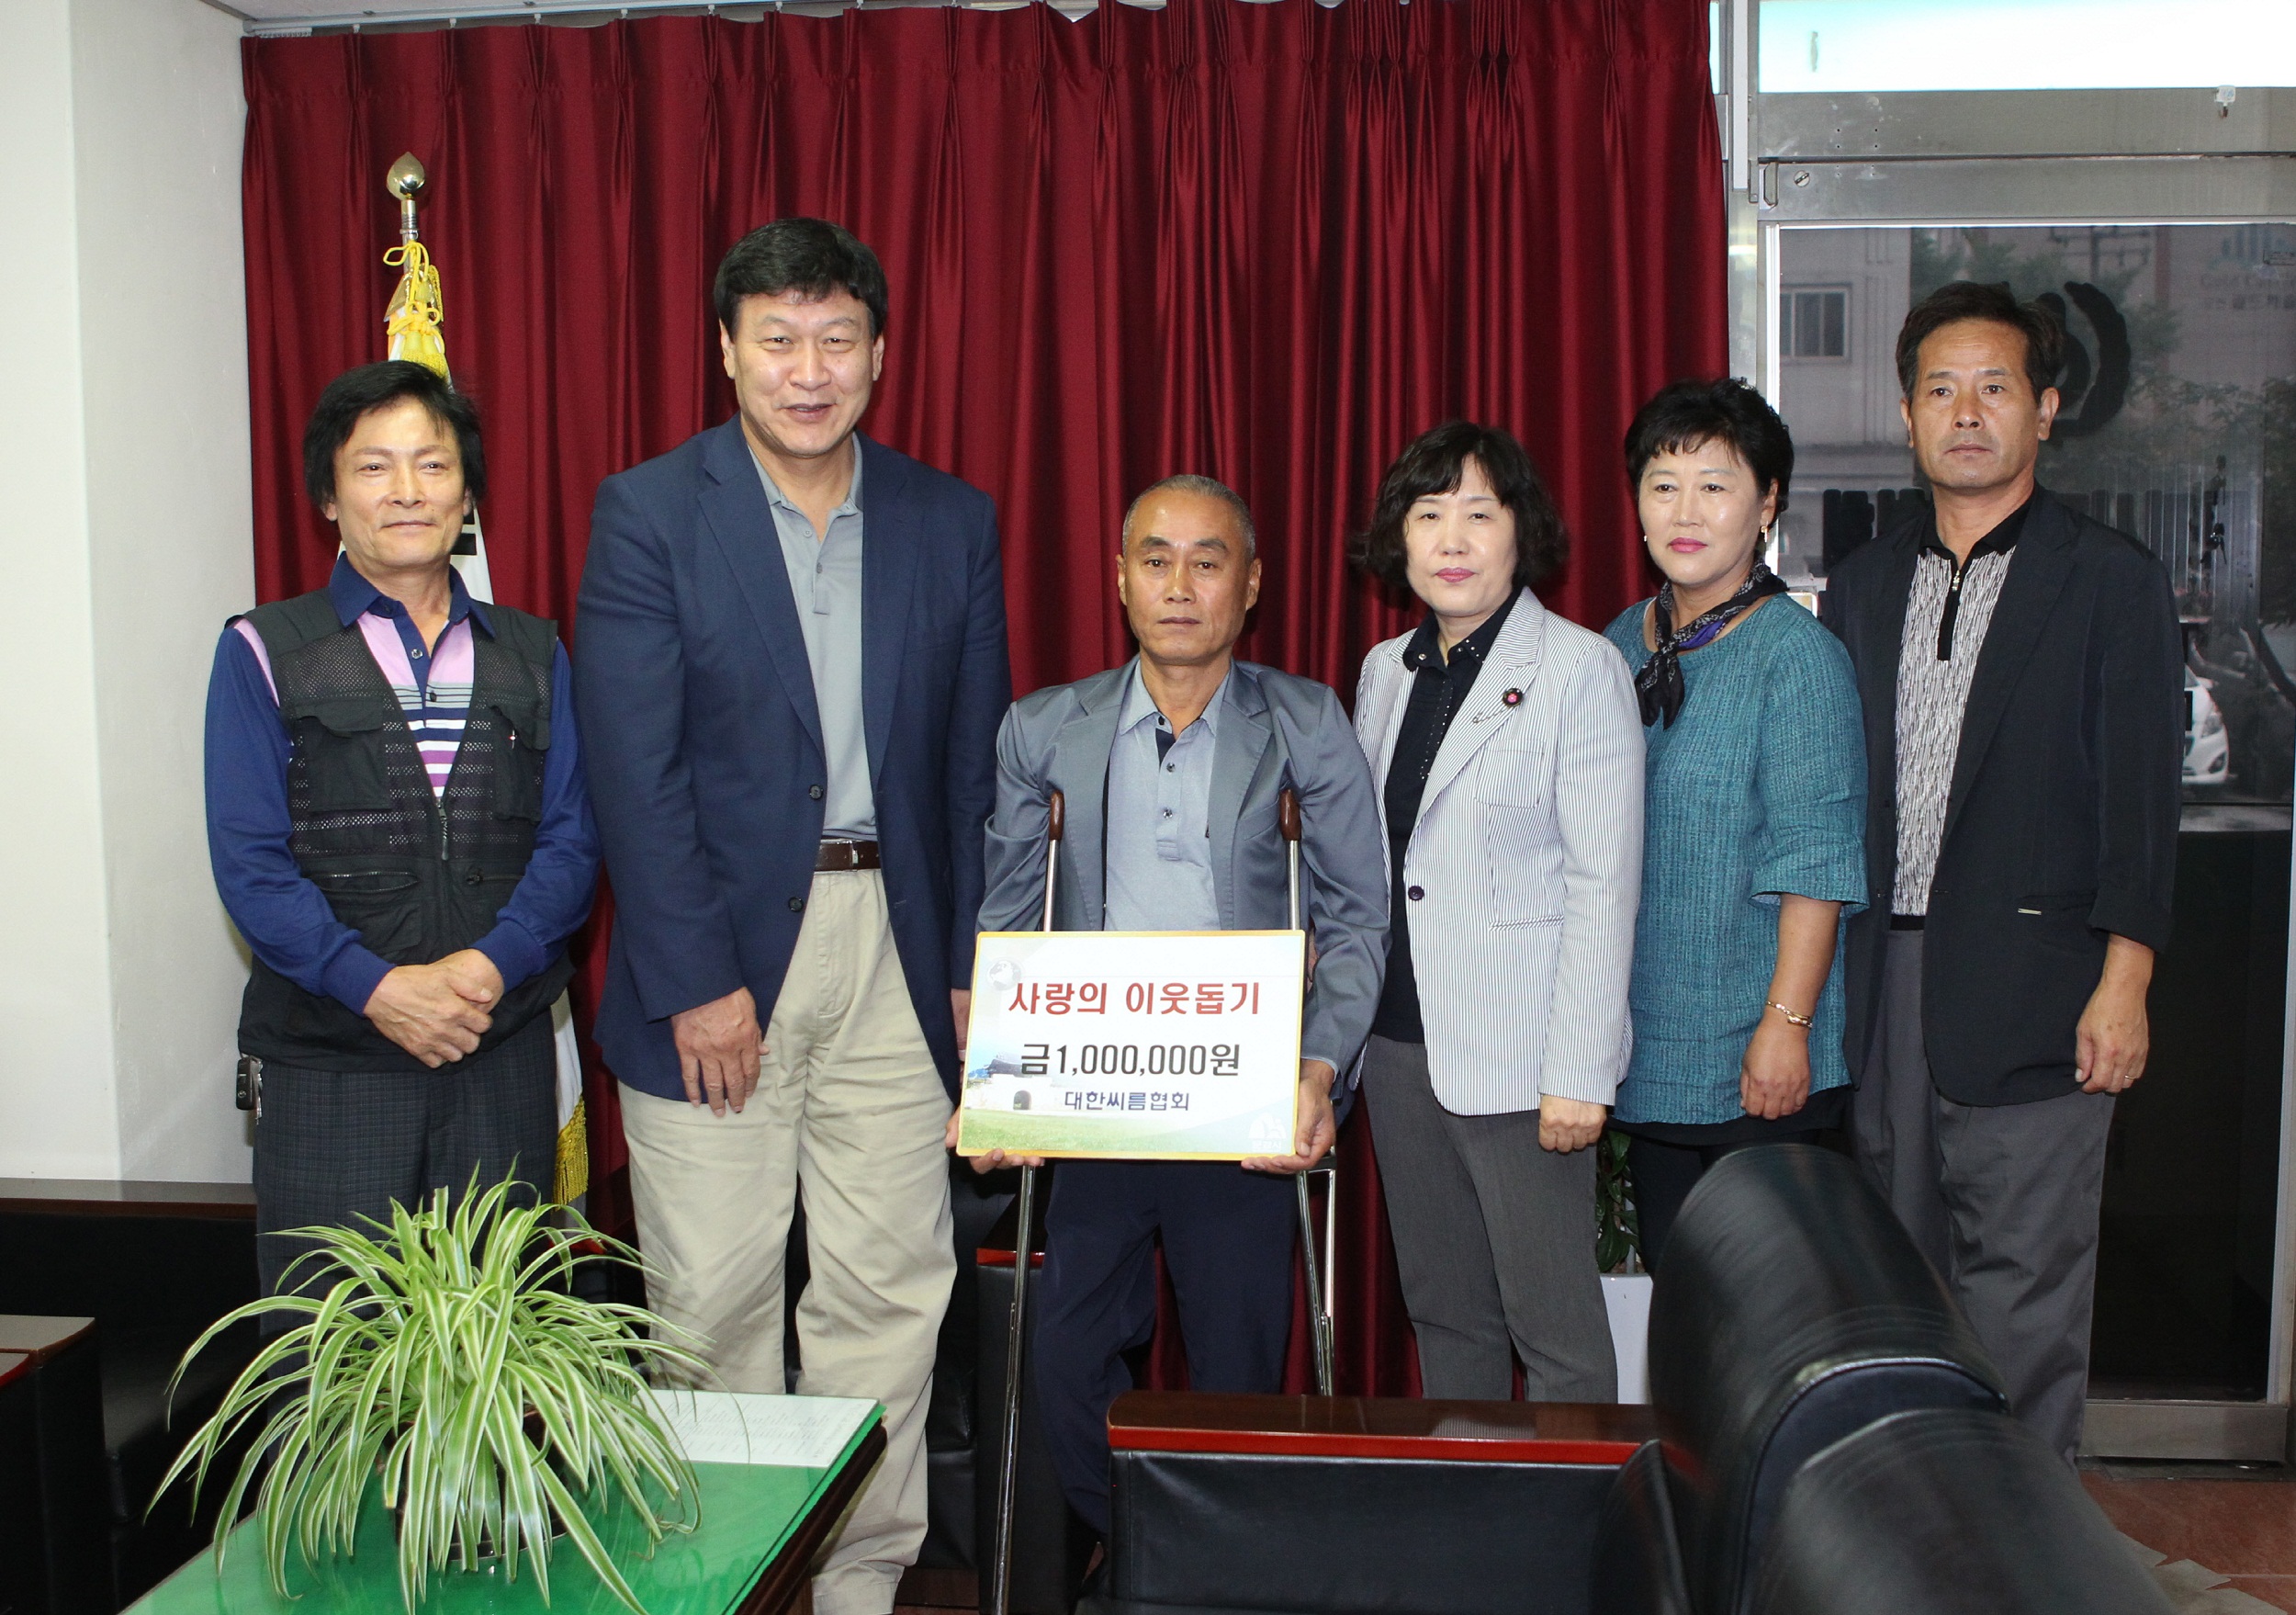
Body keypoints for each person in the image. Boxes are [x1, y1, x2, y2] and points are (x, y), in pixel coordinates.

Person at [576, 219, 1010, 1614]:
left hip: (898, 946)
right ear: (727, 351)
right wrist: (695, 976)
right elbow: (632, 770)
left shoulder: (950, 519)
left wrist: (973, 969)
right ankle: (724, 1581)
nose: (807, 370)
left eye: (835, 338)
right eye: (778, 339)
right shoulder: (649, 513)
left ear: (878, 354)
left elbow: (973, 768)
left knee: (890, 1292)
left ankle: (859, 1582)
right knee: (712, 1303)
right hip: (717, 959)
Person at [970, 474, 1386, 1541]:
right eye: (1156, 560)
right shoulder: (1043, 729)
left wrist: (1318, 1069)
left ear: (1250, 586)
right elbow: (1010, 921)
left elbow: (1354, 920)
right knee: (1063, 1361)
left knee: (1237, 1378)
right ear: (1119, 579)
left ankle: (1211, 1570)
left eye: (1209, 562)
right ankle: (1144, 1552)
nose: (1180, 585)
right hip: (1096, 1099)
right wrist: (996, 1087)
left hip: (1239, 1105)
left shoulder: (1303, 723)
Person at [1827, 281, 2180, 1465]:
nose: (1966, 412)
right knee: (1899, 1299)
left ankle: (2026, 1548)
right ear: (1906, 414)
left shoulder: (2109, 579)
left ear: (2045, 408)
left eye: (1993, 387)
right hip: (1885, 990)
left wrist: (2124, 983)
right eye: (1940, 389)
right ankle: (1918, 1535)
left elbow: (2144, 802)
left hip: (2041, 986)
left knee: (2023, 1308)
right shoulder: (1865, 583)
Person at [205, 360, 599, 1308]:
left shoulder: (534, 652)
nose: (407, 490)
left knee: (496, 1342)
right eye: (374, 467)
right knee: (328, 1351)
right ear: (329, 498)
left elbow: (574, 840)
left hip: (495, 1048)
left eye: (432, 463)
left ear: (467, 495)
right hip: (333, 1062)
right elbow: (252, 867)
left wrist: (489, 969)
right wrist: (378, 990)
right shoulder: (265, 649)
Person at [1348, 422, 1640, 1400]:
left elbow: (1604, 884)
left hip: (1525, 1060)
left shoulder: (1578, 668)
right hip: (1399, 1047)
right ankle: (1469, 1495)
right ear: (1400, 536)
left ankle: (1580, 1503)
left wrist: (1580, 1072)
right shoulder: (1385, 671)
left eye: (1479, 513)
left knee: (1554, 1332)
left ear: (1522, 531)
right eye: (1429, 515)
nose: (1453, 539)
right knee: (1444, 1312)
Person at [1602, 379, 1867, 1271]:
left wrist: (1785, 1027)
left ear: (1767, 504)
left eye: (1715, 486)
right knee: (1682, 1307)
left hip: (1753, 1055)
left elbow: (1816, 862)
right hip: (1647, 1047)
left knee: (1757, 1315)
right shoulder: (1617, 644)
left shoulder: (1797, 657)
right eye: (1663, 484)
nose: (1686, 512)